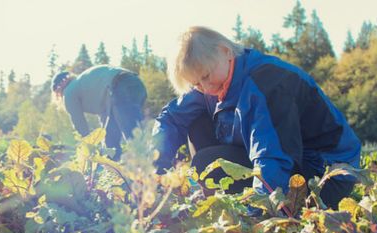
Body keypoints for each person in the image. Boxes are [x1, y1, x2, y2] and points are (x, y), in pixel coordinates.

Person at [153, 26, 361, 209]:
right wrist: (154, 171)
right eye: (197, 84)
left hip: (325, 173)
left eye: (206, 77)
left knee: (206, 163)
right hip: (281, 155)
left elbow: (273, 156)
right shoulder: (213, 79)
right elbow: (171, 118)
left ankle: (250, 208)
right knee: (197, 123)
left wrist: (259, 213)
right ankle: (219, 201)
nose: (205, 88)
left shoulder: (267, 83)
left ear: (225, 51)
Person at [51, 65, 147, 161]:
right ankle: (114, 165)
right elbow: (105, 119)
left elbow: (80, 125)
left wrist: (88, 151)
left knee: (131, 133)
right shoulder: (85, 83)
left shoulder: (68, 92)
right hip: (135, 83)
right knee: (111, 139)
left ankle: (144, 163)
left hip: (120, 85)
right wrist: (104, 149)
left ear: (60, 87)